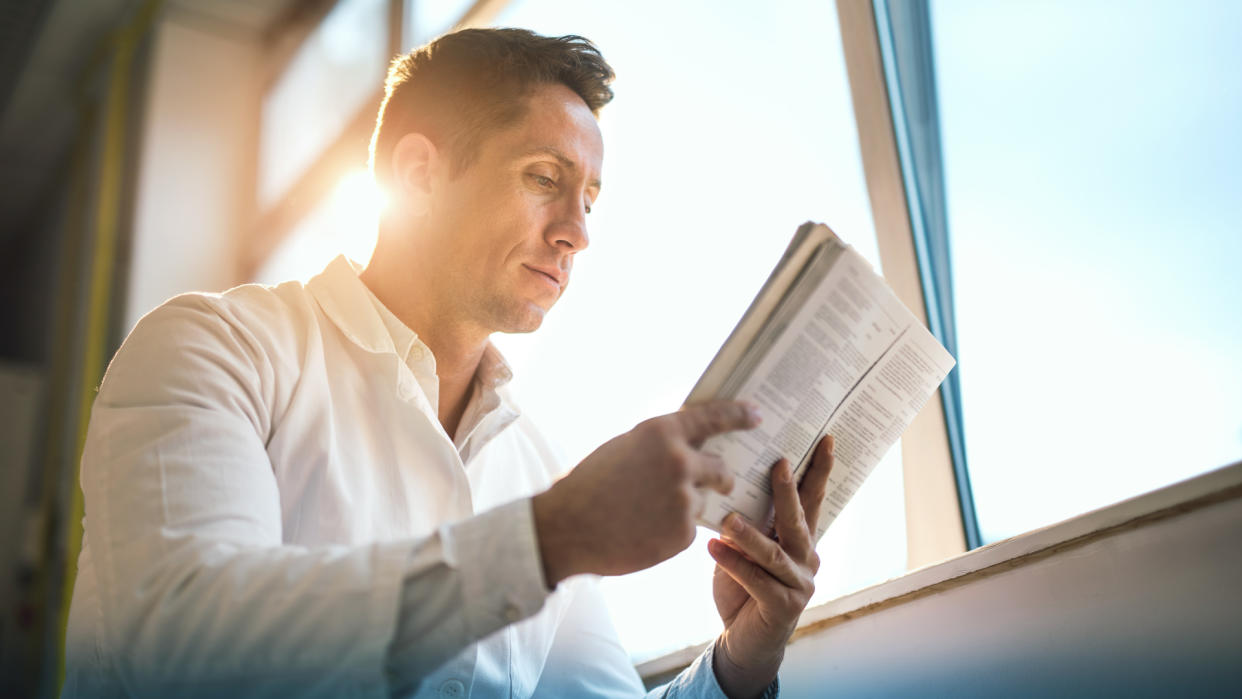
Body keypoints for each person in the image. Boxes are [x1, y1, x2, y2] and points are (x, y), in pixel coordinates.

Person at [63, 28, 835, 698]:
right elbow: (186, 656)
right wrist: (548, 540)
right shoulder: (211, 349)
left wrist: (743, 656)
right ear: (418, 174)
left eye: (590, 199)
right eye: (545, 178)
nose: (577, 232)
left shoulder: (537, 470)